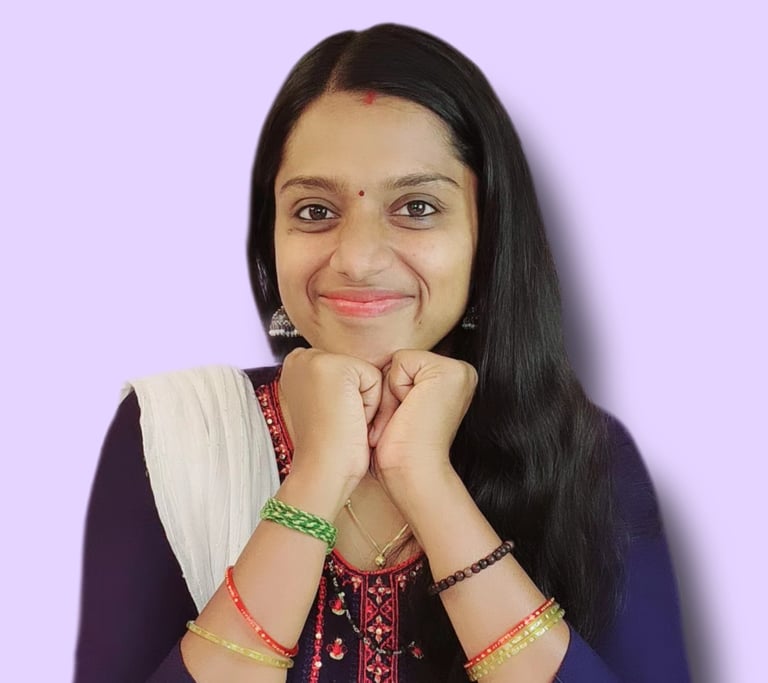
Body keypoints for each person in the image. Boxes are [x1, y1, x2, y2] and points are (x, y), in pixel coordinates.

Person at [74, 23, 691, 682]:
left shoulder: (583, 451)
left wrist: (429, 482)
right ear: (270, 234)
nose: (359, 259)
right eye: (314, 211)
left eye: (418, 206)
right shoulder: (176, 436)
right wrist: (314, 482)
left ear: (488, 236)